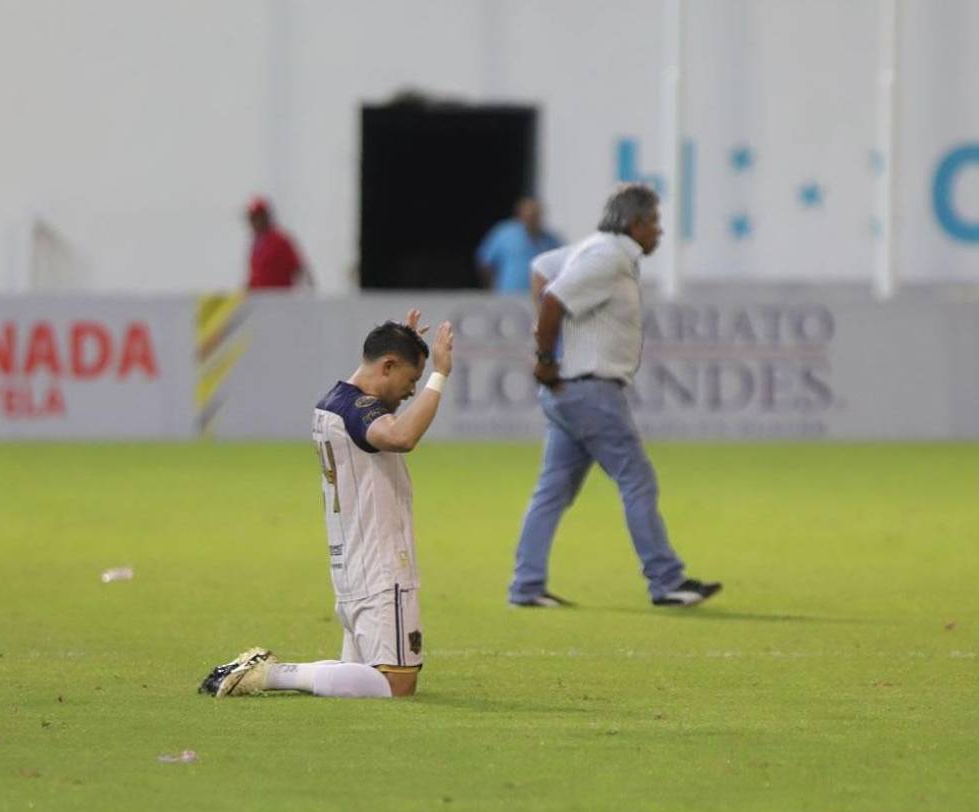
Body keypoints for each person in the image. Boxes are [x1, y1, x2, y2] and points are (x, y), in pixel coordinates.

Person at [199, 311, 455, 699]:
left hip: (351, 562)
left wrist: (404, 345)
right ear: (387, 365)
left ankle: (265, 673)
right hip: (382, 565)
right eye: (410, 380)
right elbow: (401, 436)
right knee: (394, 684)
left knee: (360, 675)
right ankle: (269, 674)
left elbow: (378, 424)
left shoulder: (333, 403)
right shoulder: (361, 411)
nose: (412, 391)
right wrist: (440, 373)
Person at [507, 183, 722, 609]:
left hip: (571, 391)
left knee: (552, 490)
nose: (659, 232)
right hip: (591, 390)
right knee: (636, 480)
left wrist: (555, 354)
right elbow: (553, 299)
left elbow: (541, 269)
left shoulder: (592, 248)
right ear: (634, 223)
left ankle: (526, 587)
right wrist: (546, 355)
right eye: (654, 223)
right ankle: (666, 581)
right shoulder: (608, 257)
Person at [476, 197, 563, 294]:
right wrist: (491, 287)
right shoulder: (504, 233)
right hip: (507, 294)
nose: (531, 219)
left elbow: (560, 268)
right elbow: (485, 262)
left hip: (538, 297)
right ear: (520, 215)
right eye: (528, 215)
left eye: (535, 215)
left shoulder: (550, 240)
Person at [245, 196, 312, 290]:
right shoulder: (256, 245)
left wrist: (309, 297)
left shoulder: (280, 240)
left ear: (265, 217)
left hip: (279, 299)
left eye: (256, 217)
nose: (253, 222)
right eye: (251, 218)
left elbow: (299, 269)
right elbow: (255, 277)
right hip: (261, 300)